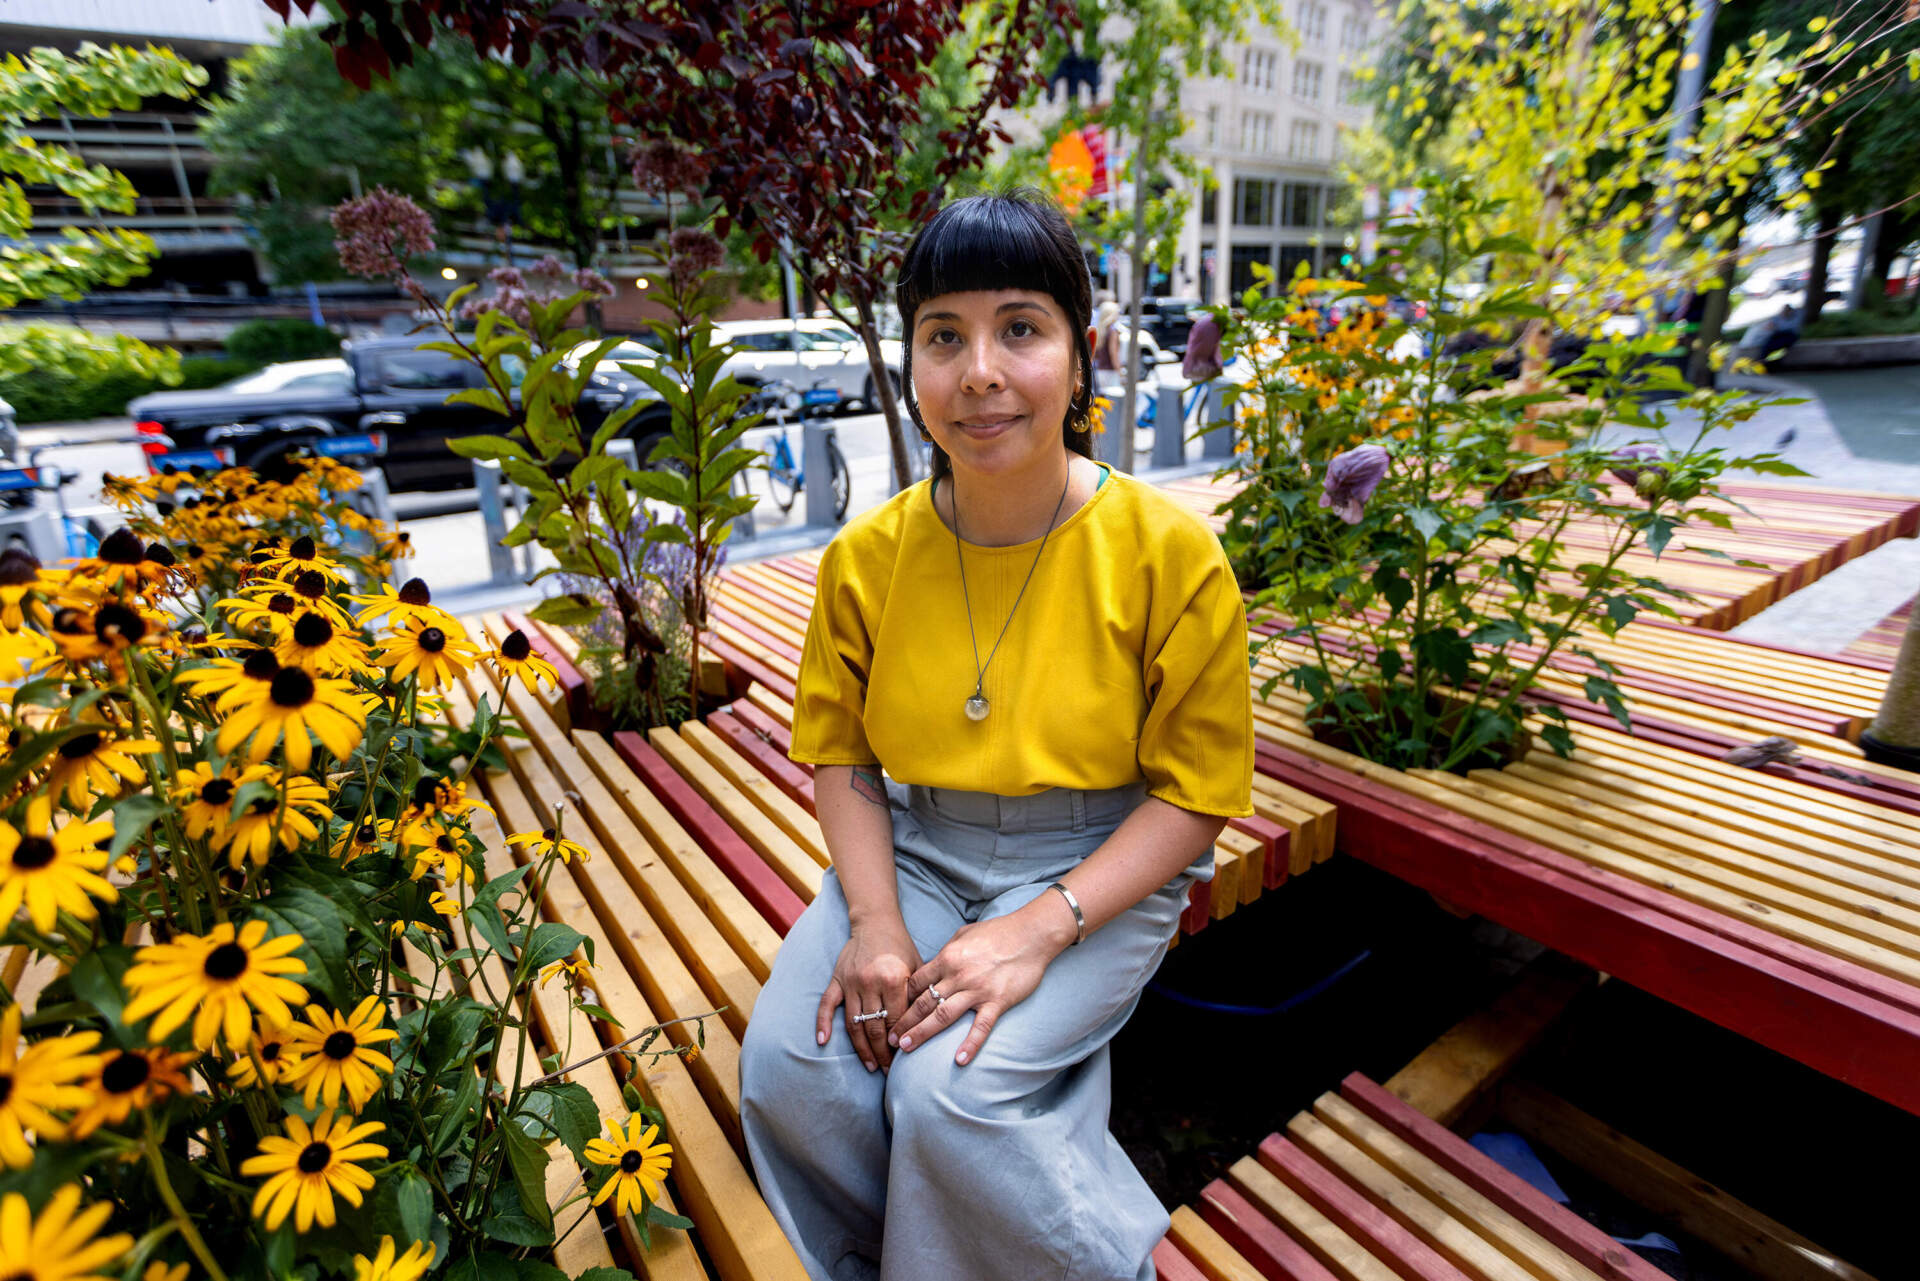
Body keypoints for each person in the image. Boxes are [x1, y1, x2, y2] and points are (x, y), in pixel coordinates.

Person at [739, 190, 1255, 1281]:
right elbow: (843, 757)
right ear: (911, 363)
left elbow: (1198, 792)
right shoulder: (865, 559)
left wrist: (1040, 927)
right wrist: (874, 922)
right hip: (920, 852)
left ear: (1082, 354)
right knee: (798, 1068)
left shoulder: (1168, 553)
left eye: (1020, 327)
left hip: (1097, 862)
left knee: (952, 1097)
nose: (979, 370)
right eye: (944, 336)